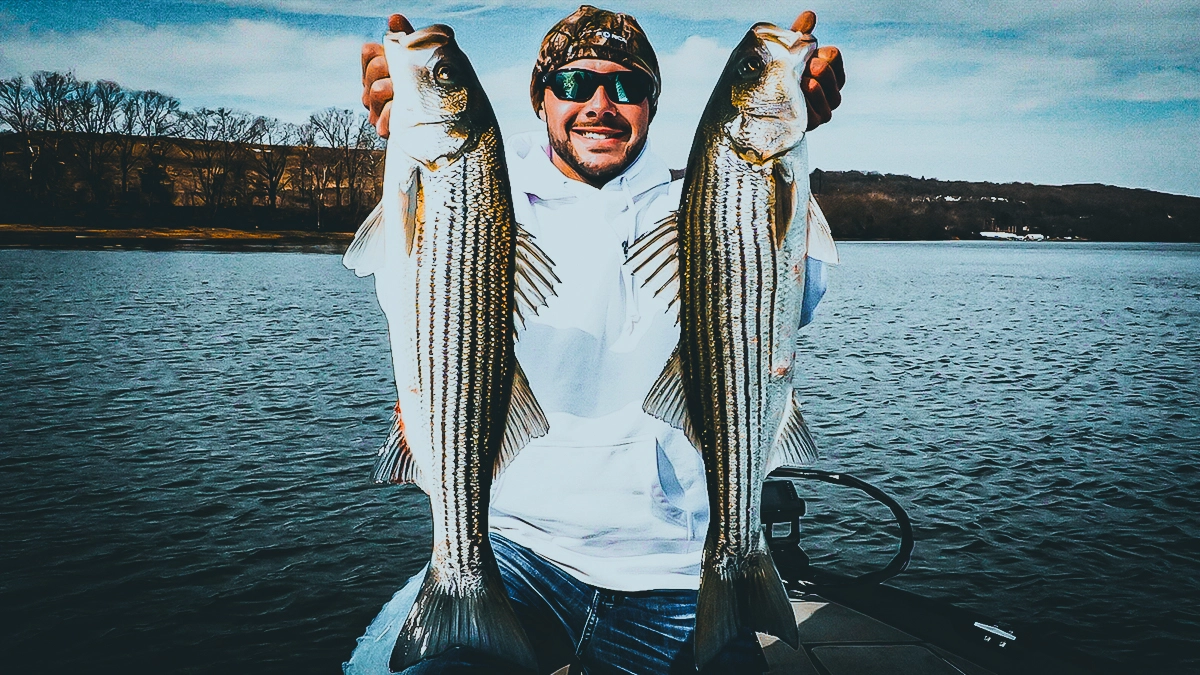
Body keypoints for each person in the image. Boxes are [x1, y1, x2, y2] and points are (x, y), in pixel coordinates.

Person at [344, 6, 845, 674]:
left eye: (628, 87)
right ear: (541, 98)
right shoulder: (487, 197)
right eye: (575, 85)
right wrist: (406, 123)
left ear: (652, 105)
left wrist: (792, 130)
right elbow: (409, 289)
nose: (600, 105)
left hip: (677, 571)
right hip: (517, 555)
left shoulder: (701, 205)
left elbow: (790, 302)